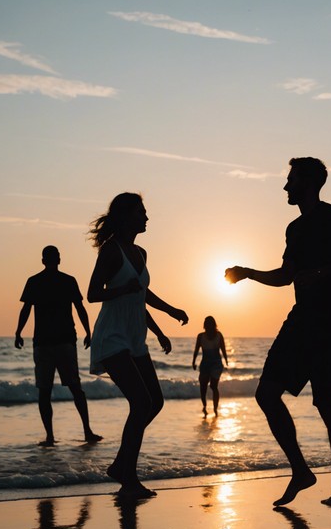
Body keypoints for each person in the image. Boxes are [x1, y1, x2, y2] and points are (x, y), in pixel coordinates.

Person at [226, 157, 331, 507]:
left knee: (327, 405)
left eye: (291, 180)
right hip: (302, 318)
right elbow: (286, 276)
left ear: (308, 182)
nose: (285, 187)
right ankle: (301, 470)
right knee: (266, 394)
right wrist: (248, 273)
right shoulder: (294, 229)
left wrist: (324, 272)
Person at [87, 192, 188, 499]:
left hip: (135, 339)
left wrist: (167, 317)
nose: (146, 217)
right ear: (125, 216)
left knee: (155, 401)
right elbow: (92, 294)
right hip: (112, 337)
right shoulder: (110, 251)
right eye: (141, 212)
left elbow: (141, 295)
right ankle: (127, 476)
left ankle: (121, 464)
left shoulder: (141, 252)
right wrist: (121, 289)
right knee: (142, 403)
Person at [15, 245, 102, 446]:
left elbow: (26, 309)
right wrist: (88, 332)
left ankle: (50, 437)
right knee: (75, 388)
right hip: (64, 342)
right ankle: (87, 431)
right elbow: (80, 308)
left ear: (43, 260)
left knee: (45, 391)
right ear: (59, 260)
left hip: (45, 343)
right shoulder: (67, 281)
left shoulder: (35, 281)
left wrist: (18, 332)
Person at [192, 316, 228, 416]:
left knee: (213, 386)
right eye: (206, 324)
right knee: (203, 387)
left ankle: (215, 409)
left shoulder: (219, 335)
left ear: (213, 325)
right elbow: (196, 349)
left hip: (216, 364)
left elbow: (223, 349)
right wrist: (193, 361)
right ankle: (204, 407)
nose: (208, 326)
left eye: (209, 324)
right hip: (205, 364)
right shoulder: (201, 336)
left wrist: (226, 360)